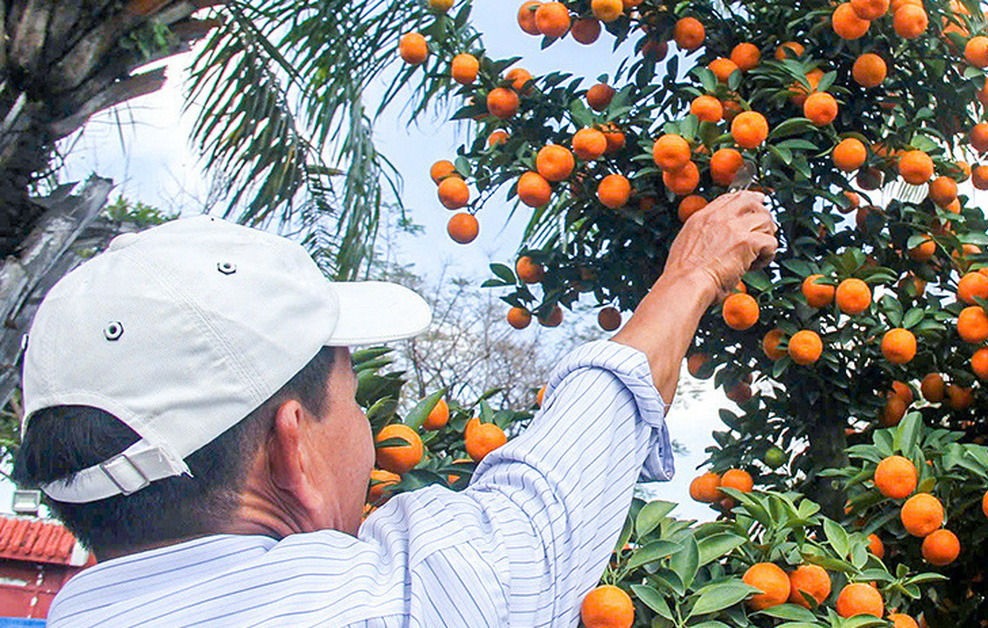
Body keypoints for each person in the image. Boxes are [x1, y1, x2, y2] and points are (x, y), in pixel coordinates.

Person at [13, 190, 775, 627]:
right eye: (350, 402)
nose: (371, 432)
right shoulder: (398, 602)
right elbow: (559, 482)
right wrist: (696, 272)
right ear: (292, 449)